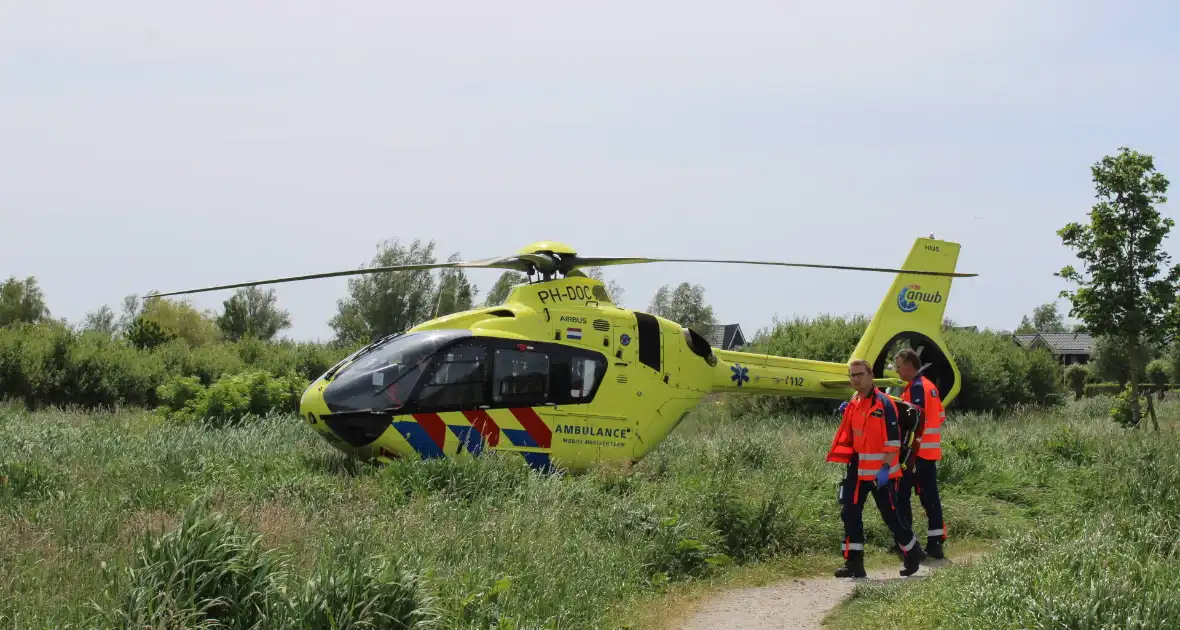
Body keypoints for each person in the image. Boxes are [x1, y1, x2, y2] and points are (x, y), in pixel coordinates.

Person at [827, 359, 925, 578]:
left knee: (890, 516)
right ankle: (854, 564)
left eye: (859, 374)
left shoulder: (884, 404)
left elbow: (893, 443)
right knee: (849, 513)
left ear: (871, 376)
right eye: (852, 375)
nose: (855, 379)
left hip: (882, 473)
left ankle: (913, 552)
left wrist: (882, 472)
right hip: (857, 470)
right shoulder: (854, 401)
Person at [893, 348, 947, 559]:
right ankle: (935, 543)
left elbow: (913, 421)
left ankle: (906, 544)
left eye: (898, 366)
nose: (897, 371)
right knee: (930, 498)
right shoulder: (930, 387)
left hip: (915, 454)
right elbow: (940, 416)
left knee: (901, 497)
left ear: (908, 364)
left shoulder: (915, 388)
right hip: (930, 452)